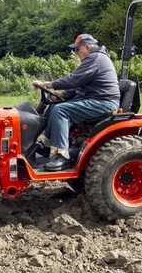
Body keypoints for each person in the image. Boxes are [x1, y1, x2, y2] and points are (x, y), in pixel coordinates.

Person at [32, 33, 120, 171]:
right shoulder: (94, 58)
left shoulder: (95, 59)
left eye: (77, 49)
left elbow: (73, 80)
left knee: (61, 111)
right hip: (94, 98)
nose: (75, 53)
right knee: (54, 105)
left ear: (87, 46)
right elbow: (80, 85)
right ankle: (47, 145)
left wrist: (46, 84)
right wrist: (63, 94)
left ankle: (62, 156)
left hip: (104, 102)